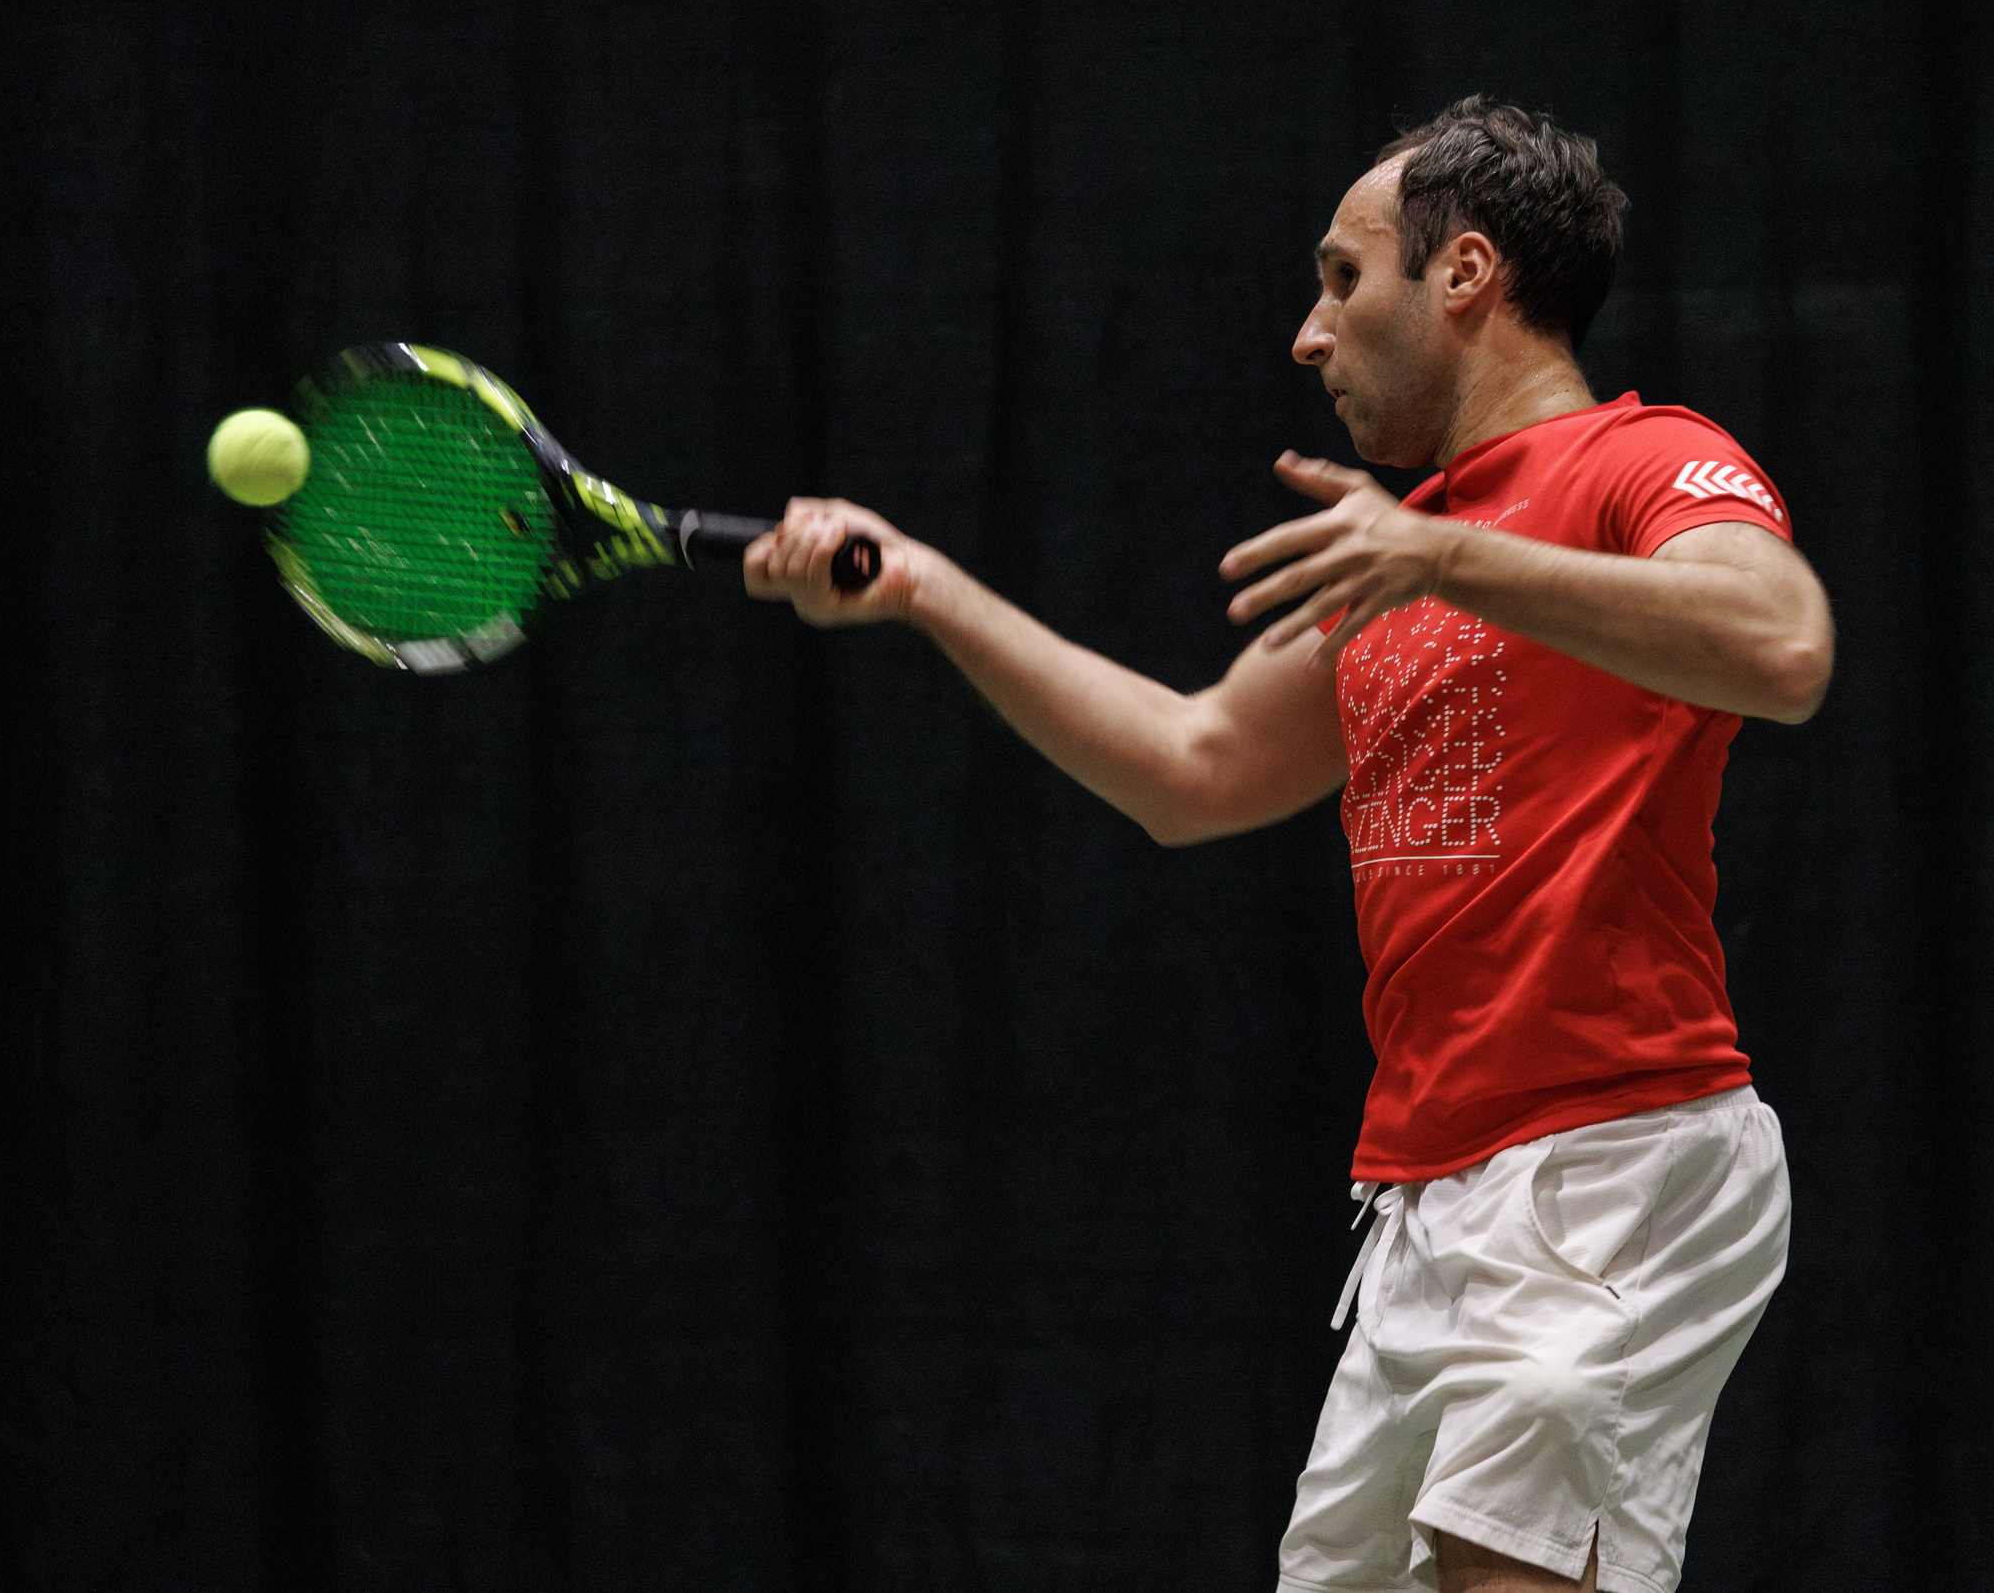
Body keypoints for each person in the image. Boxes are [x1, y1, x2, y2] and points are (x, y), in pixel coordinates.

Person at [744, 95, 1832, 1593]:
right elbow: (1193, 767)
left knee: (1505, 1567)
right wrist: (929, 592)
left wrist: (1441, 552)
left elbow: (1782, 642)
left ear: (1465, 273)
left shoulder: (1639, 461)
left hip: (1619, 1158)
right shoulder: (1394, 550)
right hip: (1428, 1194)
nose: (1309, 336)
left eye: (1343, 277)